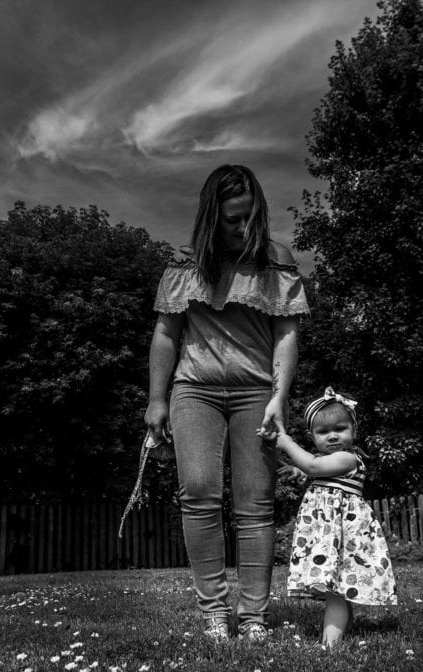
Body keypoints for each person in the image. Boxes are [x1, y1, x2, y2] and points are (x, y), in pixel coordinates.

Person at [145, 164, 310, 643]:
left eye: (249, 217)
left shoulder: (275, 258)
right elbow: (164, 334)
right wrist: (156, 399)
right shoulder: (185, 263)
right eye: (232, 219)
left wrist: (279, 398)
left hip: (257, 392)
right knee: (198, 492)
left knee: (255, 505)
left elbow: (286, 335)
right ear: (210, 217)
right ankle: (215, 613)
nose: (243, 228)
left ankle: (254, 617)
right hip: (193, 389)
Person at [268, 387, 397, 646]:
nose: (333, 436)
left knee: (335, 593)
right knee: (338, 590)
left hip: (340, 536)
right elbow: (316, 470)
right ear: (312, 436)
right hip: (332, 535)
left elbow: (314, 467)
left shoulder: (348, 458)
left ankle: (329, 646)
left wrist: (287, 444)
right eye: (323, 432)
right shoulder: (331, 461)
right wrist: (300, 471)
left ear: (354, 430)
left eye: (340, 429)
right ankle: (345, 632)